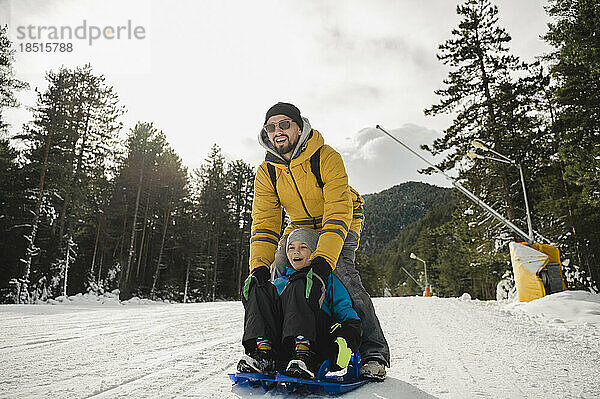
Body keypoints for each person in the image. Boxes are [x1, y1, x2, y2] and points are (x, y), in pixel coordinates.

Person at [246, 102, 389, 380]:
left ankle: (373, 352)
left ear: (299, 127)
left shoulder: (325, 156)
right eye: (271, 127)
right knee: (277, 270)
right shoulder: (267, 171)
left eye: (285, 124)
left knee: (341, 275)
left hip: (342, 217)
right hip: (301, 223)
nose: (278, 131)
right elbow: (264, 224)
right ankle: (281, 346)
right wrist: (258, 268)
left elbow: (337, 211)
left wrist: (323, 263)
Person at [238, 228, 361, 379]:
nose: (296, 252)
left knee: (299, 282)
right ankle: (264, 354)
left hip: (316, 342)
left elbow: (349, 318)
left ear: (315, 252)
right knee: (259, 285)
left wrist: (344, 341)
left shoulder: (328, 281)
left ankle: (304, 353)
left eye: (303, 247)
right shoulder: (279, 282)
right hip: (282, 344)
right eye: (291, 248)